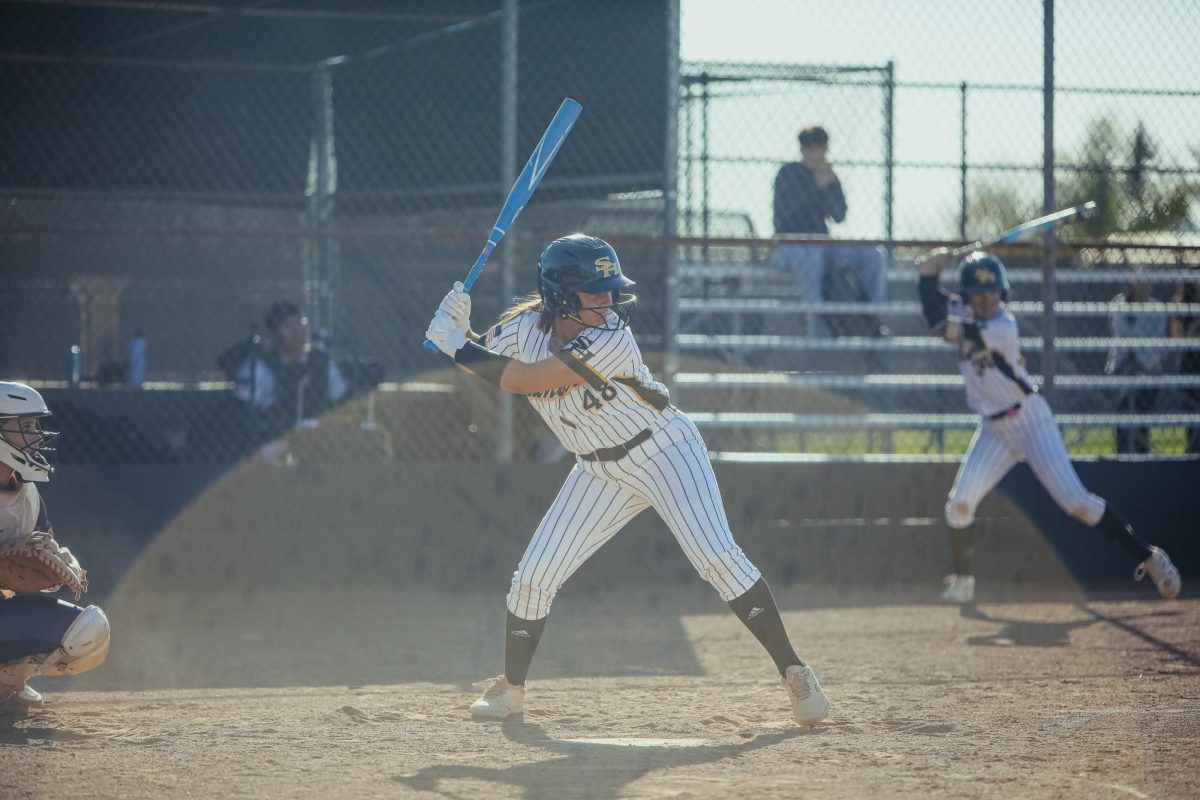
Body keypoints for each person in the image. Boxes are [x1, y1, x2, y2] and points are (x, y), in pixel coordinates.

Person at [424, 234, 830, 726]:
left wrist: (455, 346)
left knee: (717, 559)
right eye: (594, 290)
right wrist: (460, 331)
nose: (607, 299)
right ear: (559, 295)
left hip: (664, 450)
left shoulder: (610, 336)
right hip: (598, 469)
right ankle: (511, 689)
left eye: (609, 288)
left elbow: (522, 381)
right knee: (533, 577)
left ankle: (795, 672)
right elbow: (488, 359)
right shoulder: (521, 329)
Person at [915, 249, 1182, 604]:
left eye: (993, 292)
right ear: (966, 296)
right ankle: (963, 582)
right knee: (959, 505)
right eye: (979, 294)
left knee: (1076, 502)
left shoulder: (1002, 327)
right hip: (994, 429)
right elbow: (934, 298)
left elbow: (938, 324)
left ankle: (1150, 557)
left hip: (1029, 419)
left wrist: (926, 277)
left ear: (1003, 294)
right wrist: (930, 269)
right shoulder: (963, 310)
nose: (987, 299)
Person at [0, 382, 111, 710]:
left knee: (87, 631)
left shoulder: (28, 497)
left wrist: (45, 572)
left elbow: (32, 568)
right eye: (26, 426)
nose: (36, 436)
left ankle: (5, 684)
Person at [772, 125, 887, 337]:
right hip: (791, 246)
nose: (816, 153)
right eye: (810, 148)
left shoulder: (828, 175)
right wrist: (815, 187)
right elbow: (786, 213)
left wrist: (832, 185)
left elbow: (839, 216)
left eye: (820, 148)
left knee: (873, 254)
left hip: (824, 244)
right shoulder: (788, 173)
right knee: (811, 256)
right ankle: (816, 321)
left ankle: (873, 316)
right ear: (802, 150)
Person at [234, 302, 349, 440]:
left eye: (301, 323)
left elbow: (340, 397)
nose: (297, 331)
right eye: (288, 326)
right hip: (275, 439)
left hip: (320, 438)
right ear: (274, 333)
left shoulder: (321, 361)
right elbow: (244, 410)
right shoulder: (259, 366)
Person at [1106, 278, 1168, 454]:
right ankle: (1122, 455)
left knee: (1142, 424)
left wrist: (1140, 355)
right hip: (1121, 368)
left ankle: (1142, 454)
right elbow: (1119, 332)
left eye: (1147, 282)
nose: (1144, 287)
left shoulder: (1157, 309)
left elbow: (1158, 342)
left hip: (1148, 369)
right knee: (1122, 423)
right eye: (1139, 283)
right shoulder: (1119, 303)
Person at [1170, 280, 1200, 454]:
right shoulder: (1181, 304)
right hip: (1189, 364)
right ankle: (1193, 451)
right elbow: (1175, 337)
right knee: (1192, 415)